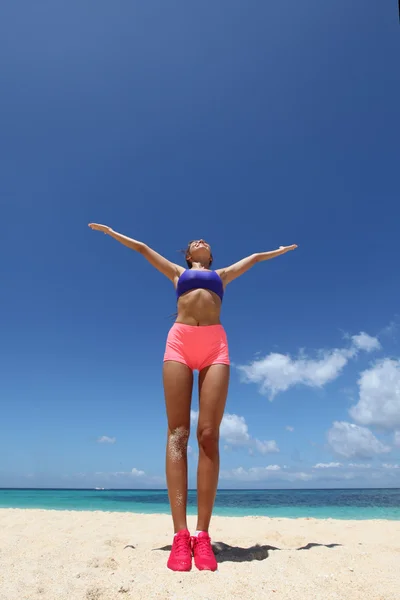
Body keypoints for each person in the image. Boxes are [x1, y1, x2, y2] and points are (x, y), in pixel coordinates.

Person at [88, 223, 297, 571]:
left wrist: (278, 251)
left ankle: (203, 536)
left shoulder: (223, 274)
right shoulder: (176, 272)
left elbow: (256, 258)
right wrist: (111, 232)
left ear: (210, 256)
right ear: (188, 256)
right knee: (178, 435)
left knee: (209, 434)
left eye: (204, 241)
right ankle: (179, 536)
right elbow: (141, 247)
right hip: (180, 343)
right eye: (193, 242)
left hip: (215, 345)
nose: (200, 240)